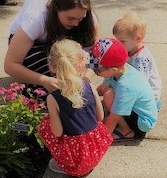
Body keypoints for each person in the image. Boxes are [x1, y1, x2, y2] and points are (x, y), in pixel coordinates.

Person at [4, 0, 99, 93]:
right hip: (34, 44)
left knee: (69, 69)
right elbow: (10, 65)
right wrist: (45, 80)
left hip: (60, 40)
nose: (76, 24)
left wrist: (85, 77)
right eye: (70, 18)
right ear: (56, 9)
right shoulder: (35, 19)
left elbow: (94, 55)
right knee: (53, 75)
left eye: (80, 19)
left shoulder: (88, 18)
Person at [38, 39, 112, 177]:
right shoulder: (89, 86)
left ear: (52, 66)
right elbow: (100, 118)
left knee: (44, 127)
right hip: (96, 150)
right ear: (80, 64)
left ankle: (64, 164)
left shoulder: (53, 98)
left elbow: (57, 132)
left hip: (76, 160)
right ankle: (85, 164)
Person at [87, 38, 158, 141]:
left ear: (113, 69)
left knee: (108, 95)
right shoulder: (118, 69)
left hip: (141, 123)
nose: (95, 72)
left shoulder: (126, 86)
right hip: (136, 109)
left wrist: (101, 139)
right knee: (107, 90)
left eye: (97, 70)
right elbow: (102, 88)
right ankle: (121, 123)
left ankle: (126, 130)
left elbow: (114, 117)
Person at [112, 11, 163, 109]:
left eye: (122, 41)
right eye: (116, 40)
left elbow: (139, 84)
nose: (118, 44)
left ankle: (150, 109)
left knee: (112, 96)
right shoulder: (129, 48)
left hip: (147, 97)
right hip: (136, 88)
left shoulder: (141, 59)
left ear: (138, 39)